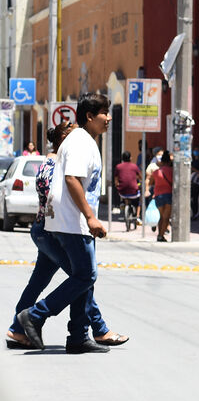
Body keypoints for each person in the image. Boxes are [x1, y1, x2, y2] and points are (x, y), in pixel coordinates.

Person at [7, 122, 127, 349]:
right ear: (64, 139)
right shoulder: (57, 164)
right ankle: (96, 330)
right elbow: (61, 197)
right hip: (53, 230)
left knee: (40, 282)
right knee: (82, 279)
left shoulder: (51, 161)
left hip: (45, 229)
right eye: (73, 133)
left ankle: (18, 329)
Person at [152, 151, 174, 242]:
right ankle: (161, 235)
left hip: (158, 195)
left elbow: (152, 182)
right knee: (166, 217)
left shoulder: (156, 172)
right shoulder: (171, 171)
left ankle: (159, 234)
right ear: (169, 161)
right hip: (168, 194)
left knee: (161, 216)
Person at [114, 149, 141, 220]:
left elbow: (116, 179)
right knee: (139, 200)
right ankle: (138, 216)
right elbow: (140, 176)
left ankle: (124, 203)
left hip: (122, 191)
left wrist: (117, 185)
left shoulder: (118, 167)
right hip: (133, 190)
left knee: (125, 195)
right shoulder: (134, 166)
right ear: (130, 158)